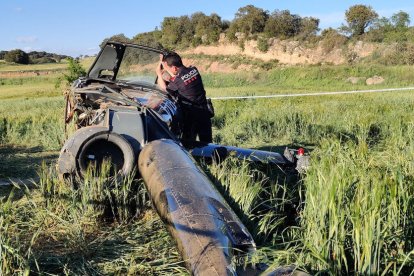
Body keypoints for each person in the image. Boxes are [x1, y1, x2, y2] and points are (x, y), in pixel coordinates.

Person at [156, 52, 213, 143]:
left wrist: (159, 74)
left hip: (191, 116)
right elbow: (180, 76)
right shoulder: (194, 70)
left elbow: (163, 89)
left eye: (168, 69)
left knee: (188, 144)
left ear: (174, 68)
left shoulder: (177, 82)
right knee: (207, 142)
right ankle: (212, 157)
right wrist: (163, 63)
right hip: (204, 112)